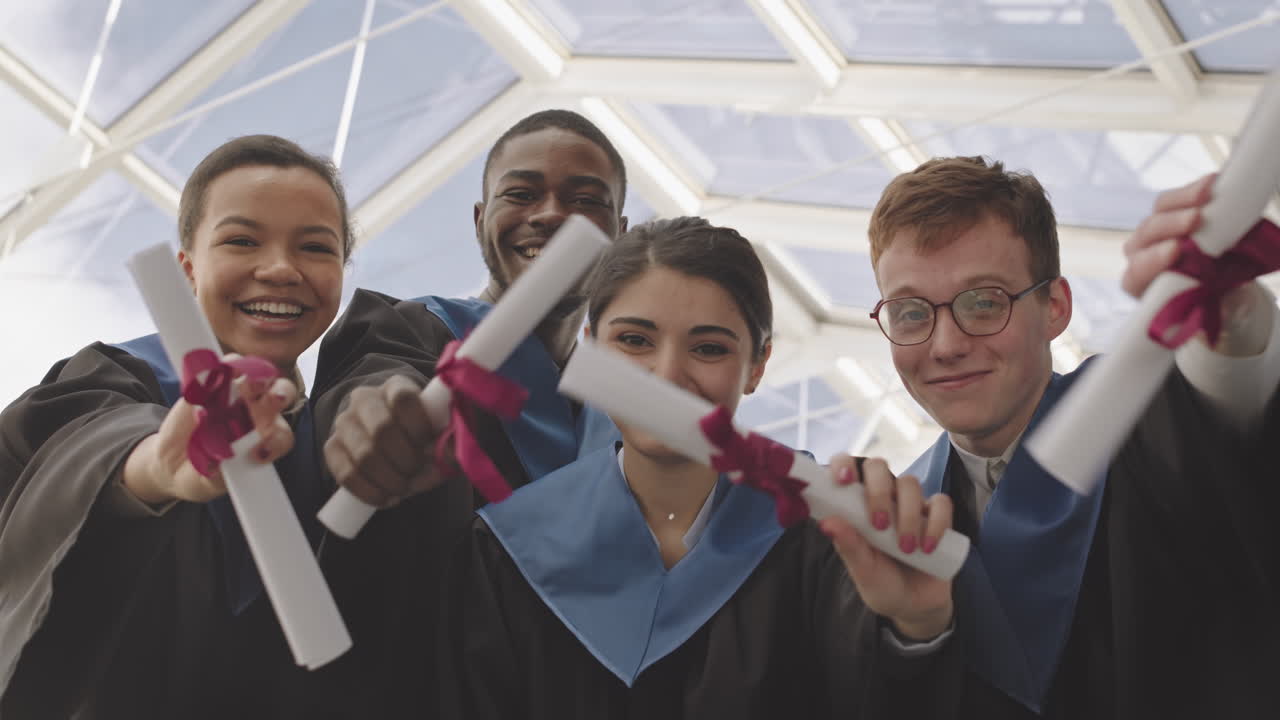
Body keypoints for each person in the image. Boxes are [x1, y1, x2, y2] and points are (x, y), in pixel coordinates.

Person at [435, 216, 956, 719]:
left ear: (757, 366)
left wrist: (918, 629)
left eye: (708, 348)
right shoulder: (510, 547)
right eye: (634, 340)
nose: (666, 375)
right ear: (591, 348)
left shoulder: (826, 534)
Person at [841, 156, 1280, 718]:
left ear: (1055, 307)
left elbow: (1230, 391)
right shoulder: (896, 526)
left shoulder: (1143, 421)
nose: (945, 344)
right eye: (909, 313)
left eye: (983, 303)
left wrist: (1233, 313)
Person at [0, 135, 358, 719]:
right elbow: (79, 445)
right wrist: (154, 466)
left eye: (316, 247)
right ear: (187, 269)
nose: (280, 269)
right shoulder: (119, 377)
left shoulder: (335, 437)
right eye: (242, 240)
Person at [307, 108, 630, 716]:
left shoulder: (624, 423)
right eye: (522, 193)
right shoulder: (415, 330)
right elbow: (376, 381)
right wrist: (370, 419)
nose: (552, 215)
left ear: (620, 233)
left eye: (586, 200)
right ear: (482, 220)